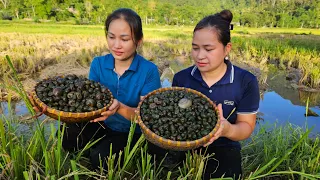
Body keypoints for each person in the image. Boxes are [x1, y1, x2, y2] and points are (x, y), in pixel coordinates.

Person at [31, 8, 161, 169]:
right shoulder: (98, 63)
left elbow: (148, 119)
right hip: (101, 123)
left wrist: (119, 107)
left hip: (130, 132)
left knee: (101, 158)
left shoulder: (149, 71)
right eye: (111, 37)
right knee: (66, 135)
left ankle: (111, 154)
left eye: (125, 39)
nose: (116, 45)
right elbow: (84, 101)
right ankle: (84, 155)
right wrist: (50, 106)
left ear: (139, 41)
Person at [170, 10, 260, 179]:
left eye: (208, 49)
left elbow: (246, 127)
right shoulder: (181, 78)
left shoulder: (245, 81)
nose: (199, 56)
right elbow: (175, 117)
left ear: (227, 49)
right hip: (185, 141)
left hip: (224, 145)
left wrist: (226, 129)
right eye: (195, 48)